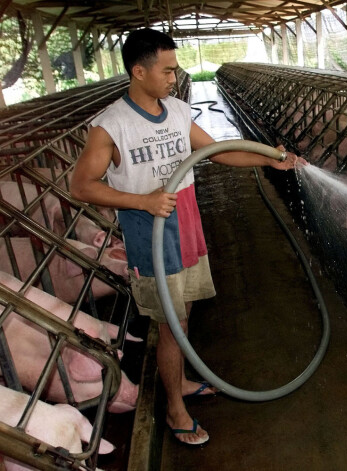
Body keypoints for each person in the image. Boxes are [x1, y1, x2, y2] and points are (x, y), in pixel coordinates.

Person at [70, 28, 302, 447]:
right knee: (170, 324)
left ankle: (181, 378)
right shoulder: (110, 126)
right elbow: (82, 185)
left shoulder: (176, 111)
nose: (174, 77)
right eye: (167, 70)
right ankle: (176, 410)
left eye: (176, 70)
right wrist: (141, 201)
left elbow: (219, 151)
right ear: (138, 72)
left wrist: (273, 160)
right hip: (151, 234)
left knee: (184, 315)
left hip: (188, 222)